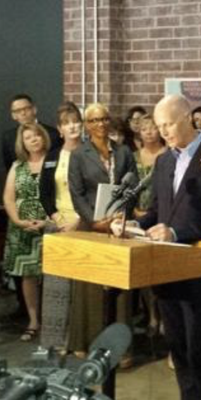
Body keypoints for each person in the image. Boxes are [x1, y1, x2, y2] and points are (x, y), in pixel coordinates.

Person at [114, 94, 201, 400]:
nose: (163, 132)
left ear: (187, 119)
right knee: (178, 348)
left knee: (198, 350)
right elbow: (158, 211)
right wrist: (134, 225)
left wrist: (175, 232)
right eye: (159, 126)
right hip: (167, 270)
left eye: (168, 124)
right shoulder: (164, 161)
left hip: (200, 273)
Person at [68, 103, 137, 358]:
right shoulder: (79, 154)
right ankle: (85, 341)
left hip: (119, 226)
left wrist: (121, 215)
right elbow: (76, 193)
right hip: (91, 226)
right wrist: (94, 220)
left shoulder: (123, 151)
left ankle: (121, 348)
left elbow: (133, 186)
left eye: (104, 119)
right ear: (87, 125)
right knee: (90, 286)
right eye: (94, 120)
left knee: (120, 286)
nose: (100, 124)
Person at [39, 102, 85, 352]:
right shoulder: (53, 156)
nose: (73, 126)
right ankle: (54, 343)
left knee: (81, 290)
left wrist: (80, 219)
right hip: (58, 227)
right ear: (60, 129)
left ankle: (79, 341)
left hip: (84, 226)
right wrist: (57, 219)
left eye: (76, 121)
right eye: (67, 123)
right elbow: (44, 193)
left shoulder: (90, 152)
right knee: (55, 290)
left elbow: (95, 192)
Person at [2, 123, 50, 341]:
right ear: (22, 143)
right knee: (28, 276)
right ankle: (33, 321)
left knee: (52, 276)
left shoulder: (54, 162)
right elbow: (8, 198)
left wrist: (47, 221)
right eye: (28, 137)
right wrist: (18, 221)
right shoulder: (17, 166)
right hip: (22, 228)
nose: (34, 140)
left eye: (37, 135)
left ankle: (53, 321)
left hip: (49, 225)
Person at [133, 113, 167, 339]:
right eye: (144, 128)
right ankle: (151, 315)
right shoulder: (133, 156)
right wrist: (135, 211)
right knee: (144, 270)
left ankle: (164, 317)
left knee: (160, 270)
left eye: (153, 128)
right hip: (138, 215)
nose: (149, 132)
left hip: (161, 217)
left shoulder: (167, 154)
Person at [1, 94, 61, 172]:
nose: (23, 113)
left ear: (34, 109)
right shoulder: (8, 137)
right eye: (18, 111)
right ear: (13, 115)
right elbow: (9, 165)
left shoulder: (53, 133)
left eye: (26, 109)